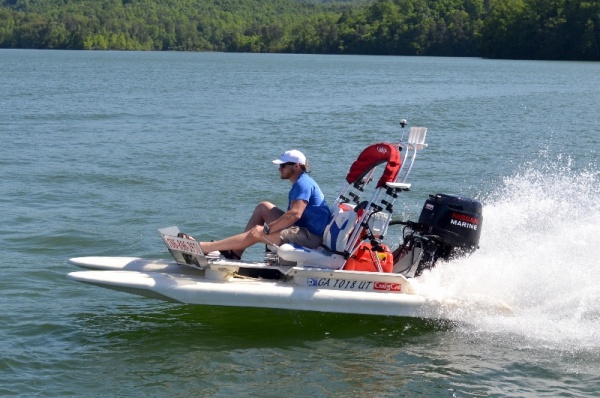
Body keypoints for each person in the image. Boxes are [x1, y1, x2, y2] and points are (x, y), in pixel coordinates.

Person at [196, 149, 331, 260]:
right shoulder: (301, 182)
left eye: (283, 165)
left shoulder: (303, 183)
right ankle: (235, 253)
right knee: (263, 207)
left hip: (310, 236)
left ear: (296, 166)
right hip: (302, 227)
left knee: (258, 233)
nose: (280, 169)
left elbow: (295, 214)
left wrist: (268, 229)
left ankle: (206, 247)